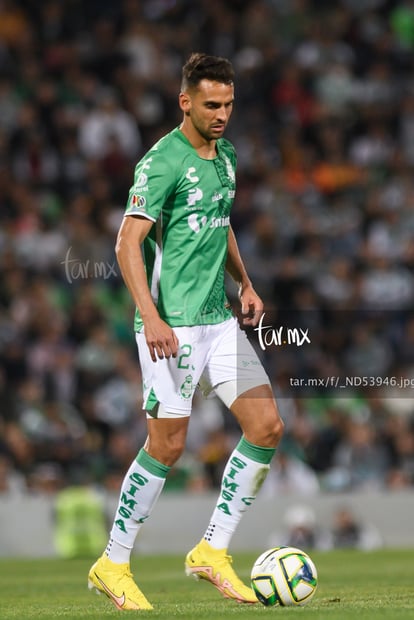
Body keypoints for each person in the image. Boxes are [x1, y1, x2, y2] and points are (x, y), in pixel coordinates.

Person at [88, 52, 284, 611]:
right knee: (167, 446)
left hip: (219, 321)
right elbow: (126, 243)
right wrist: (150, 318)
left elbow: (219, 225)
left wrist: (245, 282)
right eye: (211, 104)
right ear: (186, 102)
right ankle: (113, 563)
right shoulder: (161, 162)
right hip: (171, 328)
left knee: (267, 426)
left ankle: (212, 552)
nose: (222, 114)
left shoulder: (227, 158)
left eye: (228, 104)